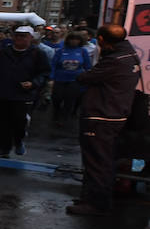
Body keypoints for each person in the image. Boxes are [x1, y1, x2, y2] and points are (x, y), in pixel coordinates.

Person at [68, 25, 140, 216]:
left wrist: (82, 74)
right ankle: (92, 198)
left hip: (102, 115)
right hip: (113, 114)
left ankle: (97, 203)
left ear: (101, 39)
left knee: (98, 162)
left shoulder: (114, 60)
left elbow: (85, 77)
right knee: (101, 160)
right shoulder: (129, 55)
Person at [0, 25, 50, 158]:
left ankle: (19, 140)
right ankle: (3, 148)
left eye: (24, 36)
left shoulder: (38, 54)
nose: (20, 39)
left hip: (24, 95)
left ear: (30, 38)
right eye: (17, 36)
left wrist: (33, 83)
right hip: (3, 94)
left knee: (20, 122)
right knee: (2, 123)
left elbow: (44, 73)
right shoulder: (4, 52)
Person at [50, 32, 93, 121]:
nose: (74, 41)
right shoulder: (61, 51)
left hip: (75, 80)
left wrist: (87, 78)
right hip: (60, 79)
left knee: (70, 100)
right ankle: (56, 112)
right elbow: (53, 64)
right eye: (72, 39)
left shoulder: (82, 51)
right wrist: (51, 77)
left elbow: (87, 66)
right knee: (57, 98)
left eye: (76, 39)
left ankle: (65, 117)